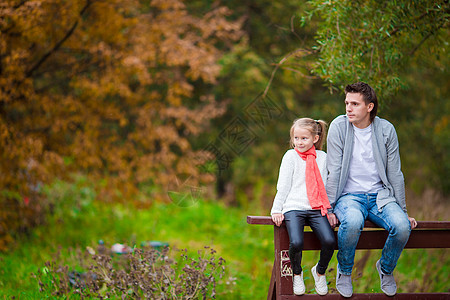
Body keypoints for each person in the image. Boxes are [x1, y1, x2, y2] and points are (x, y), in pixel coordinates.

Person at [326, 82, 417, 297]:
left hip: (381, 197)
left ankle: (385, 268)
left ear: (369, 107)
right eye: (347, 103)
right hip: (348, 197)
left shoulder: (386, 130)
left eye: (355, 104)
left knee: (403, 226)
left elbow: (395, 173)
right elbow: (334, 171)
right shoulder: (338, 127)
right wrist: (328, 208)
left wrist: (403, 210)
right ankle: (345, 271)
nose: (348, 108)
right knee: (353, 221)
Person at [271, 118, 336, 296]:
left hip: (316, 208)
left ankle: (320, 271)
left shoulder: (322, 158)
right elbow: (283, 186)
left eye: (304, 138)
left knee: (330, 241)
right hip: (294, 207)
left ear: (315, 138)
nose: (299, 142)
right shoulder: (290, 156)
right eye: (296, 138)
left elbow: (326, 186)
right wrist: (276, 209)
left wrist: (329, 211)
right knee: (297, 242)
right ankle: (297, 273)